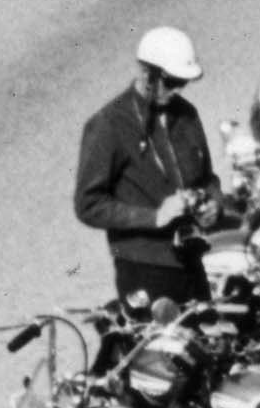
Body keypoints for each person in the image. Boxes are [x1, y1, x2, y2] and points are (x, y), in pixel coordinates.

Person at [72, 27, 219, 308]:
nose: (177, 90)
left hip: (191, 257)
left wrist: (214, 203)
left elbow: (208, 179)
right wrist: (154, 217)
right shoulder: (109, 125)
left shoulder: (186, 116)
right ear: (145, 73)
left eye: (182, 83)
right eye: (171, 81)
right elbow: (88, 204)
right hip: (145, 266)